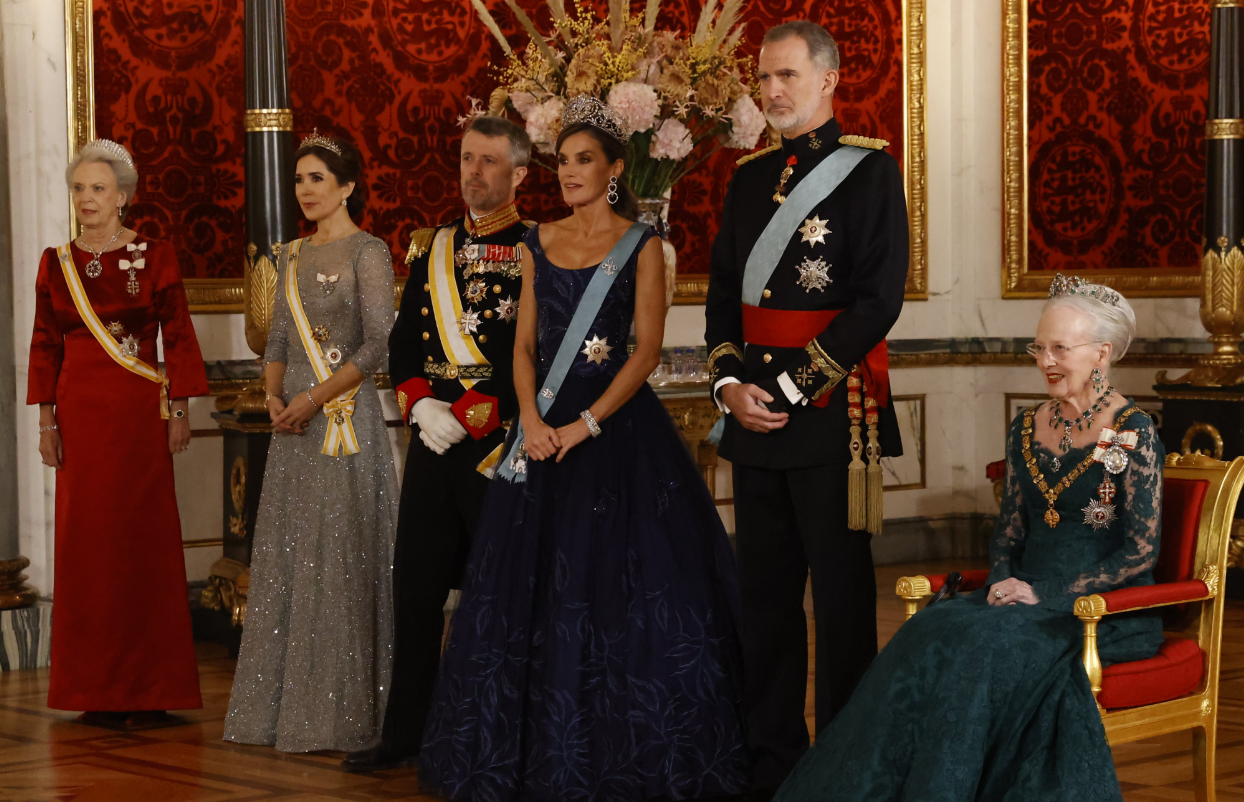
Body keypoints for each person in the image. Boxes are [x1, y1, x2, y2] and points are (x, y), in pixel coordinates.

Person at [418, 96, 748, 801]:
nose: (568, 173)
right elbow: (526, 345)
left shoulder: (643, 245)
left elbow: (647, 350)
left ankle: (626, 749)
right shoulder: (537, 240)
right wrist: (534, 421)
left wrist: (585, 425)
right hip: (541, 437)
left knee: (625, 593)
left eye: (583, 161)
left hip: (617, 433)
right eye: (562, 161)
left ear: (616, 168)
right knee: (530, 597)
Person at [773, 276, 1163, 801]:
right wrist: (1004, 582)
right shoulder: (1027, 426)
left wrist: (1045, 596)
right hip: (1021, 596)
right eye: (1038, 347)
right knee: (929, 630)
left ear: (1102, 353)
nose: (1045, 360)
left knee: (985, 646)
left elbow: (1140, 551)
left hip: (1100, 609)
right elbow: (1008, 531)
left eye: (1059, 349)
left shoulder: (1133, 432)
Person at [702, 20, 910, 798]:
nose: (772, 92)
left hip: (830, 417)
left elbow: (876, 300)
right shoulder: (749, 177)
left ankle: (846, 761)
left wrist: (792, 388)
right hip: (751, 416)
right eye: (764, 79)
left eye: (786, 76)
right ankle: (772, 760)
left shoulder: (868, 173)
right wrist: (730, 388)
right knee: (765, 603)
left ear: (828, 80)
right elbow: (725, 298)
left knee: (844, 602)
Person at [343, 115, 534, 771]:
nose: (473, 172)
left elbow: (539, 351)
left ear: (519, 173)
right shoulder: (433, 248)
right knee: (416, 590)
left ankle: (497, 733)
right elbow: (404, 343)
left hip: (497, 448)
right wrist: (420, 402)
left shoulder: (538, 247)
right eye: (466, 159)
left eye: (487, 161)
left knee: (499, 597)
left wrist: (487, 411)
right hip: (433, 442)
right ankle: (406, 735)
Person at [223, 131, 398, 753]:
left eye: (318, 178)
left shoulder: (369, 252)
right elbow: (275, 344)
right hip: (293, 430)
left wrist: (312, 400)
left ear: (348, 185)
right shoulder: (288, 255)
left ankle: (347, 713)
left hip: (343, 428)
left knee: (344, 559)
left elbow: (376, 346)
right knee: (293, 563)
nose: (306, 190)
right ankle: (282, 712)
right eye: (300, 179)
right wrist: (274, 398)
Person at [27, 139, 207, 727]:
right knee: (88, 549)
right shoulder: (55, 263)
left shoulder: (154, 255)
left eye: (98, 188)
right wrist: (46, 422)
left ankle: (151, 687)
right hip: (80, 417)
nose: (86, 198)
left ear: (123, 197)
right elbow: (44, 344)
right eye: (79, 188)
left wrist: (180, 409)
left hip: (138, 418)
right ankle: (96, 689)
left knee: (142, 544)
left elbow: (177, 334)